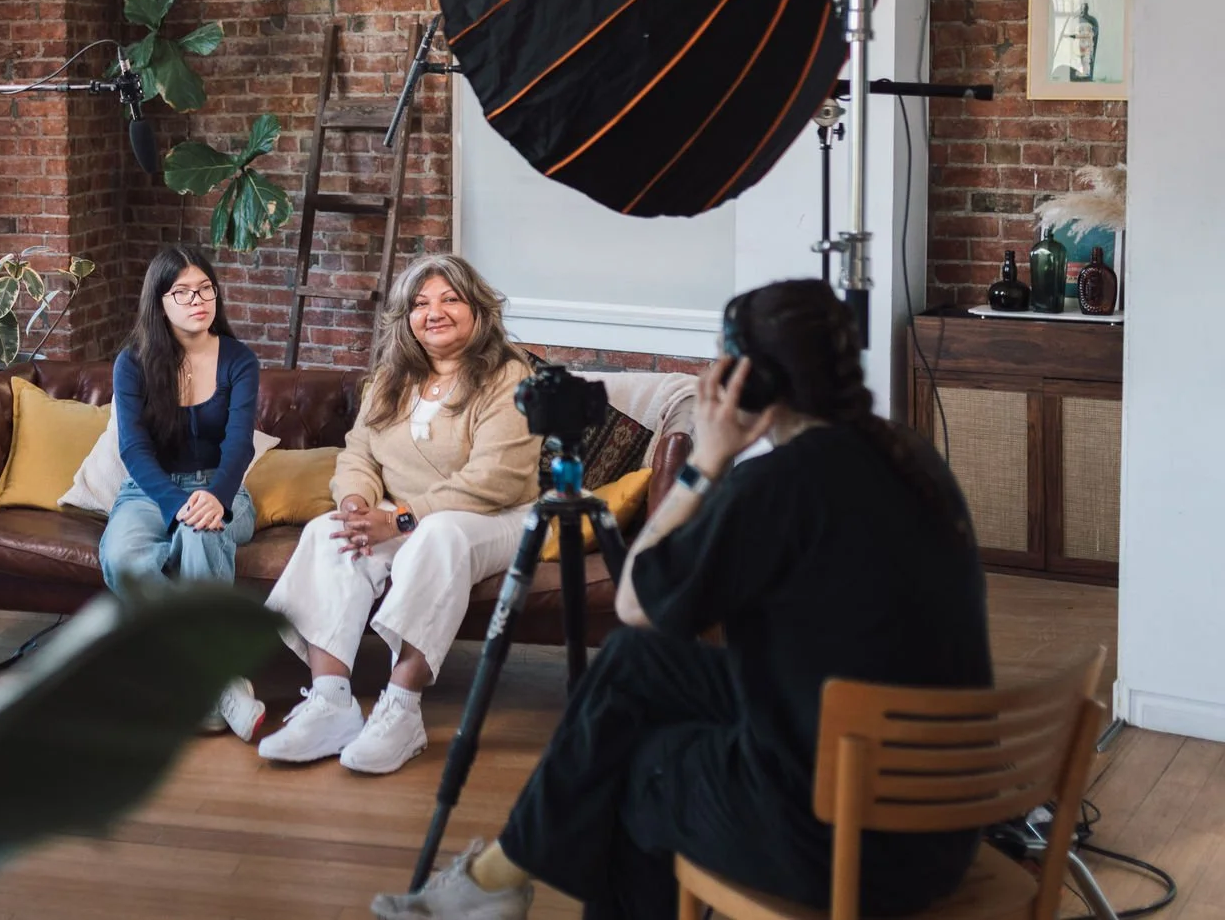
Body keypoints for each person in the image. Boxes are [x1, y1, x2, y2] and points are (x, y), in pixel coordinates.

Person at [373, 278, 992, 920]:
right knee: (636, 664)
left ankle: (498, 877)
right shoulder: (911, 457)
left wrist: (708, 462)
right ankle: (496, 877)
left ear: (746, 382)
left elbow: (637, 599)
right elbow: (650, 635)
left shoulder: (776, 487)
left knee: (635, 774)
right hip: (940, 815)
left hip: (844, 836)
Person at [257, 254, 540, 776]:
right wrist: (356, 504)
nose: (434, 312)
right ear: (405, 318)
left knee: (440, 535)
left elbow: (495, 478)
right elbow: (358, 454)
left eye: (450, 299)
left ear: (479, 309)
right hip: (406, 514)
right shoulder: (390, 377)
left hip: (496, 515)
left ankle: (400, 710)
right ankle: (331, 703)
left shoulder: (510, 375)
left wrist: (402, 518)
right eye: (420, 303)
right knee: (328, 532)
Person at [98, 244, 266, 739]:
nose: (199, 300)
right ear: (160, 301)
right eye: (184, 292)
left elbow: (239, 445)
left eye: (206, 289)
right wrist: (177, 507)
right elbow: (133, 448)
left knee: (201, 535)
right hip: (149, 493)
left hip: (222, 488)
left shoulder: (240, 360)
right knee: (124, 558)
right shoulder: (132, 364)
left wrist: (214, 497)